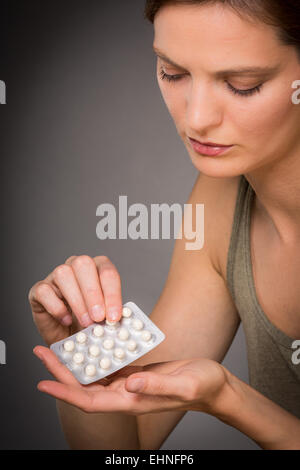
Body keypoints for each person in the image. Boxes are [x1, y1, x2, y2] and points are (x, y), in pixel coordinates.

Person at [28, 0, 300, 450]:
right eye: (172, 73)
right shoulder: (221, 199)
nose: (196, 119)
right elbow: (127, 448)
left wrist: (231, 400)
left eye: (242, 85)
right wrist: (93, 360)